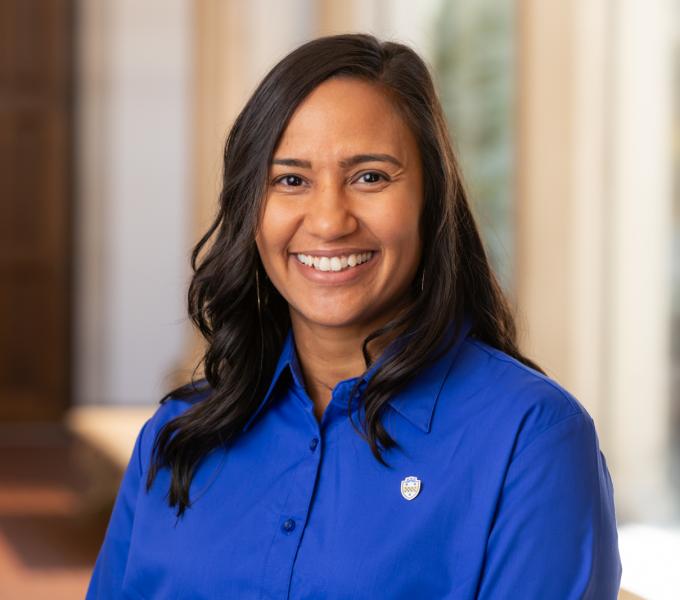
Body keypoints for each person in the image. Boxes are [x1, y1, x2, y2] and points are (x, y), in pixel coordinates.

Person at [87, 34, 622, 599]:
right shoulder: (177, 436)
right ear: (252, 210)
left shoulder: (532, 441)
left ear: (431, 200)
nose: (328, 221)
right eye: (290, 180)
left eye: (369, 177)